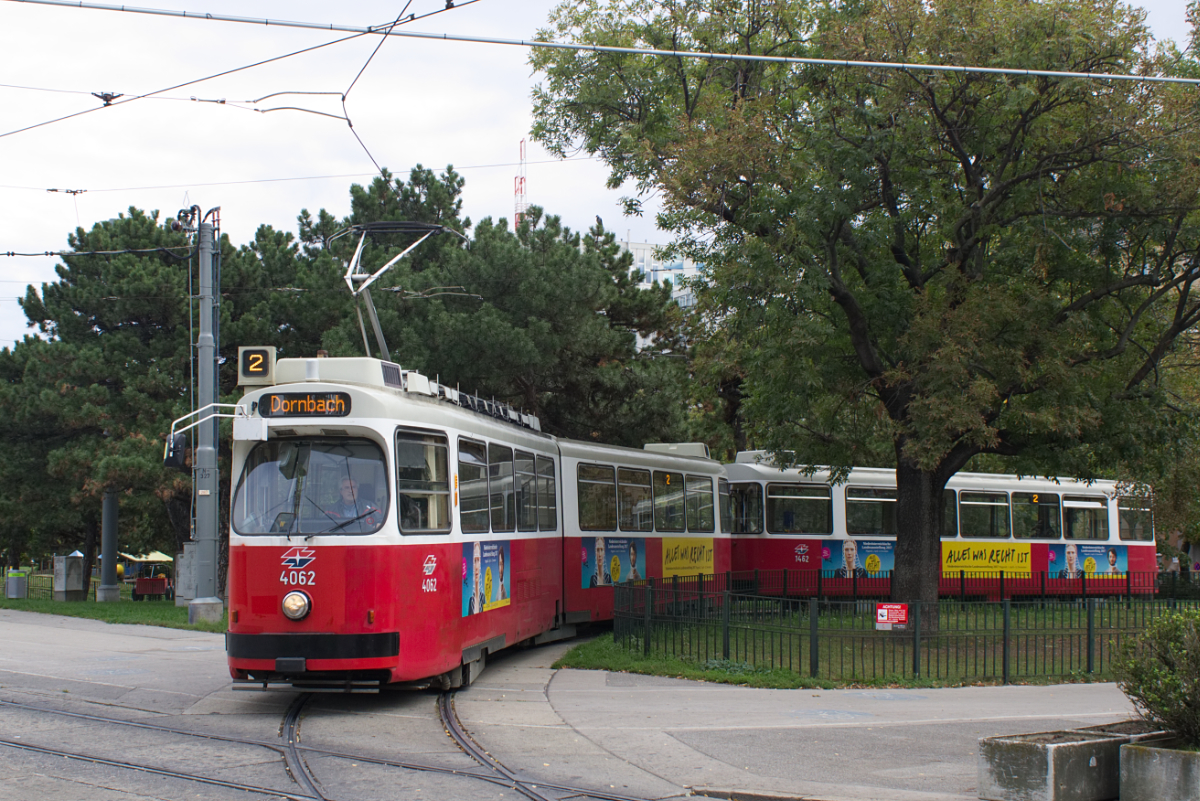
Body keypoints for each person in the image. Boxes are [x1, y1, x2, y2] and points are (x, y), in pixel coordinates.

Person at [467, 541, 484, 614]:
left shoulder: (483, 598)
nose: (476, 567)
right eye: (474, 561)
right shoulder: (471, 601)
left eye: (478, 560)